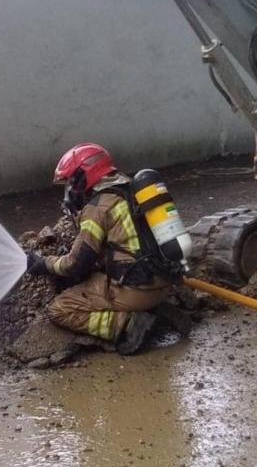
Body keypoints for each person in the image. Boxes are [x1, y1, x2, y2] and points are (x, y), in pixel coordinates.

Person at [25, 143, 173, 355]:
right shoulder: (131, 190)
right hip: (164, 282)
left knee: (60, 309)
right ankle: (154, 309)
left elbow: (75, 264)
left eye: (68, 183)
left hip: (136, 291)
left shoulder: (98, 207)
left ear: (81, 177)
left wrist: (43, 263)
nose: (67, 191)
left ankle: (127, 324)